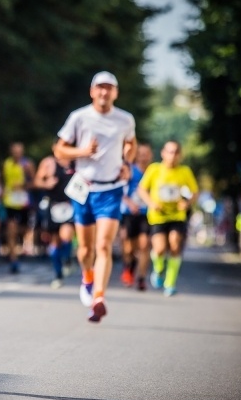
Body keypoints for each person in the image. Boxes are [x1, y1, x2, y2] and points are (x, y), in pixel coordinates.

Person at [53, 71, 136, 323]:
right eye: (100, 87)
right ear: (92, 91)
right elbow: (59, 150)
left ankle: (99, 297)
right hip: (84, 188)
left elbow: (131, 143)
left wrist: (127, 162)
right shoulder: (79, 117)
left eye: (109, 88)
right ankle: (87, 277)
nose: (104, 92)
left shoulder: (125, 119)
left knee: (103, 245)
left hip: (111, 189)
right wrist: (83, 151)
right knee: (86, 249)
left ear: (115, 93)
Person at [137, 140, 199, 296]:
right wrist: (151, 203)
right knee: (159, 249)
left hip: (177, 216)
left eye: (176, 152)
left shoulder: (184, 171)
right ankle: (158, 269)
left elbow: (195, 192)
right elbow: (142, 189)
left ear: (180, 155)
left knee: (175, 244)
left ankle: (170, 283)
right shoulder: (154, 169)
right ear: (163, 153)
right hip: (158, 216)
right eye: (169, 152)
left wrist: (187, 203)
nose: (172, 156)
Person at [34, 143, 75, 288]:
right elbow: (37, 181)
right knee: (55, 242)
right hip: (53, 206)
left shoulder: (76, 162)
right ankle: (58, 274)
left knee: (67, 235)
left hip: (70, 205)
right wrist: (46, 183)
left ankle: (68, 260)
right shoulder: (48, 163)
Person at [119, 142, 153, 290]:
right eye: (141, 153)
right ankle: (129, 267)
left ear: (150, 156)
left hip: (147, 214)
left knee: (144, 245)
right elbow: (118, 189)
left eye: (146, 154)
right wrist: (130, 203)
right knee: (128, 248)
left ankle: (141, 278)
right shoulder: (129, 170)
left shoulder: (153, 172)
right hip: (129, 213)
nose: (143, 156)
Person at [2, 142, 36, 274]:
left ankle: (22, 247)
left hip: (24, 202)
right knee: (11, 230)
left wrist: (23, 186)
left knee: (23, 230)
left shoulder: (27, 164)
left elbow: (34, 182)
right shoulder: (7, 163)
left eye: (19, 151)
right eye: (14, 151)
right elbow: (5, 180)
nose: (16, 154)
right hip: (10, 201)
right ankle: (13, 260)